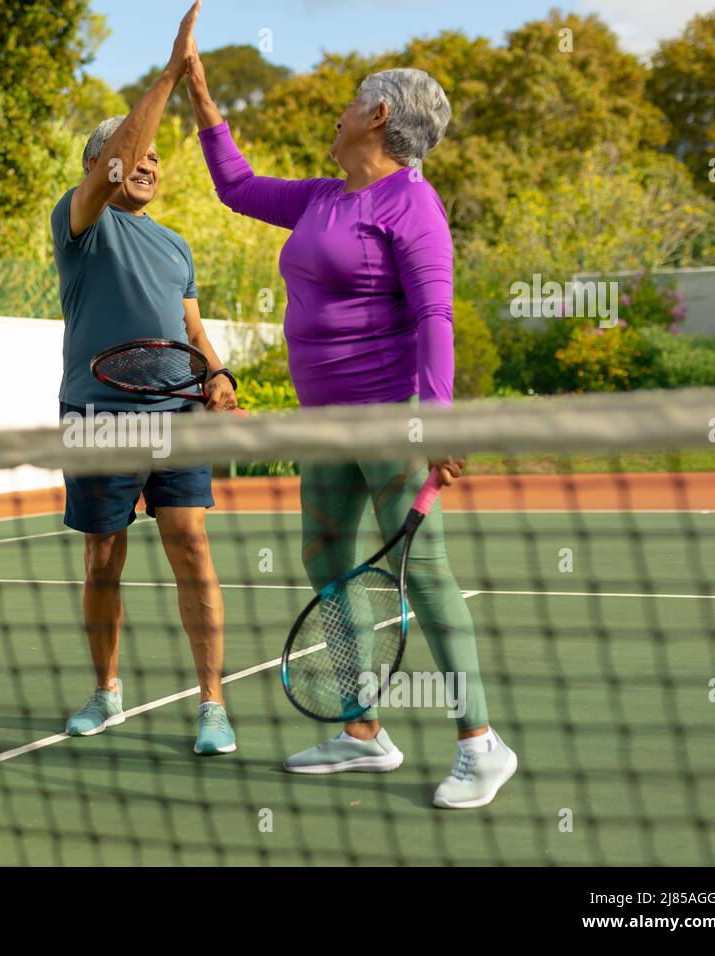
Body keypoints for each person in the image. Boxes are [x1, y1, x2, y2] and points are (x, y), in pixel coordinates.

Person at [184, 51, 517, 806]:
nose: (338, 111)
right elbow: (237, 188)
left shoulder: (412, 205)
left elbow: (435, 315)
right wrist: (203, 98)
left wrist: (434, 421)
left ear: (379, 117)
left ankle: (480, 743)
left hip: (390, 419)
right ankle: (362, 729)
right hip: (324, 425)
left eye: (351, 101)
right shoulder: (324, 199)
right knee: (327, 560)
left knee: (422, 575)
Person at [51, 1, 238, 756]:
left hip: (179, 412)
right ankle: (106, 692)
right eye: (140, 157)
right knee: (104, 557)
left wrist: (219, 374)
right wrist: (170, 72)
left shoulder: (175, 244)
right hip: (98, 416)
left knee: (191, 545)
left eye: (159, 160)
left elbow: (190, 327)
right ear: (107, 167)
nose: (152, 164)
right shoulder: (80, 219)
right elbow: (117, 156)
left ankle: (213, 706)